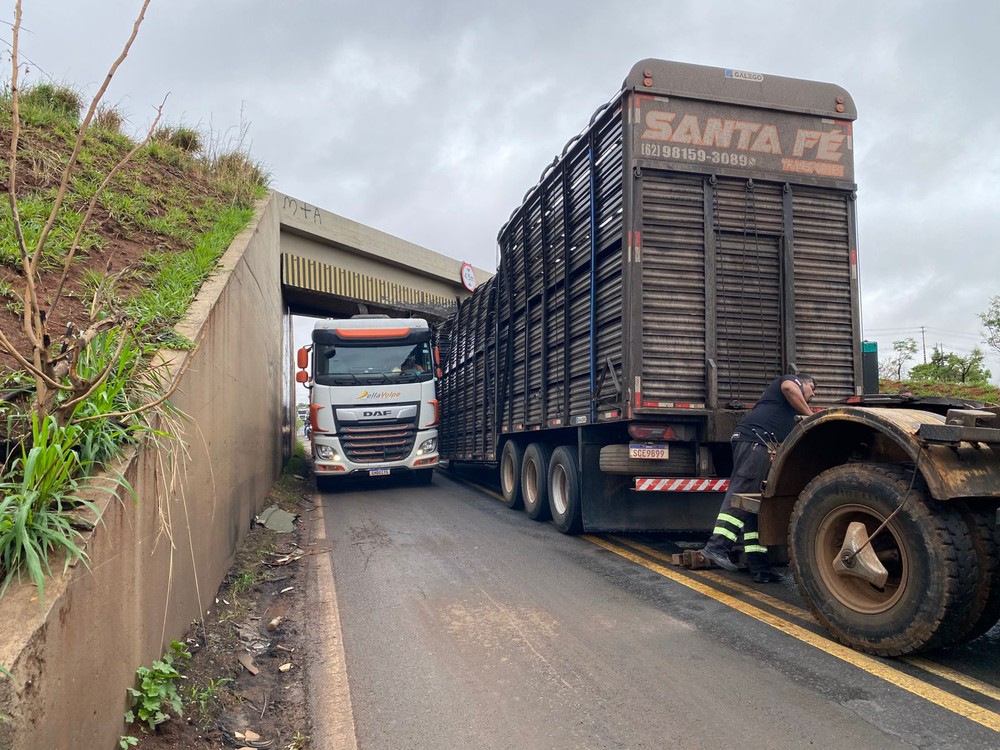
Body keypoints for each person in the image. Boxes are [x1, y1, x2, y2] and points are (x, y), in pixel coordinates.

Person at [700, 374, 817, 583]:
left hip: (762, 445)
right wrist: (810, 416)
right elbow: (790, 389)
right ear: (804, 383)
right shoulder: (791, 382)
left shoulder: (789, 409)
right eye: (813, 389)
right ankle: (716, 547)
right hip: (756, 442)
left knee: (757, 504)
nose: (813, 395)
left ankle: (760, 566)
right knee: (743, 490)